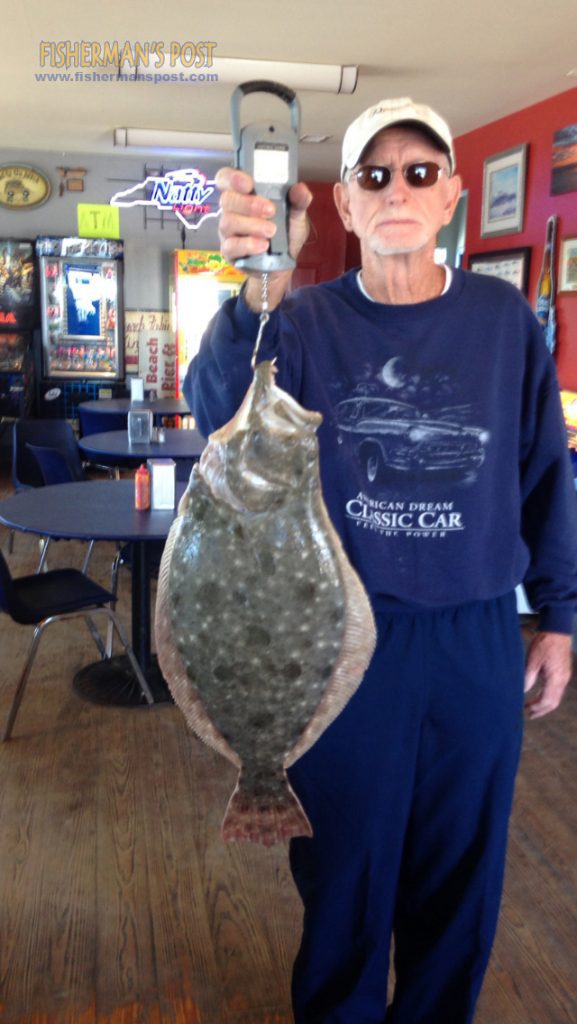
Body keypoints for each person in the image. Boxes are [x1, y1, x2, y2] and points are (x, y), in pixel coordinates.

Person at [183, 97, 577, 1023]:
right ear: (343, 207)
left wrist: (559, 613)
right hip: (337, 638)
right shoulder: (302, 319)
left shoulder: (503, 319)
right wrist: (252, 291)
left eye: (418, 172)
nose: (395, 188)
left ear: (450, 197)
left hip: (475, 638)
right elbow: (213, 416)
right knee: (346, 869)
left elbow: (543, 476)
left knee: (460, 873)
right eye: (373, 175)